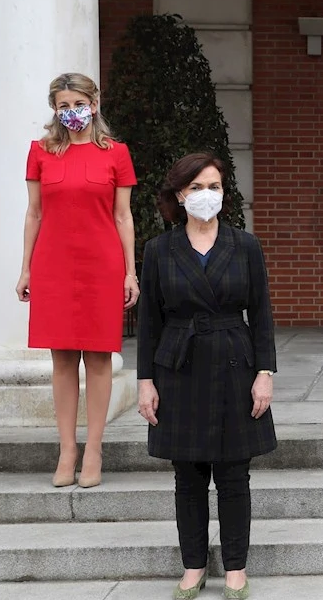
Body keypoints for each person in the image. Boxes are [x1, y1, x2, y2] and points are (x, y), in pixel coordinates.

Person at [136, 153, 277, 600]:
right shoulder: (159, 250)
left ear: (224, 193)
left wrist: (265, 372)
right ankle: (193, 567)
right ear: (180, 195)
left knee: (235, 475)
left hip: (235, 362)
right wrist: (145, 381)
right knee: (189, 476)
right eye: (196, 188)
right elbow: (148, 322)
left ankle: (235, 569)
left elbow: (262, 314)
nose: (205, 195)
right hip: (178, 366)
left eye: (213, 186)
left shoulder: (245, 245)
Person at [16, 72, 138, 489]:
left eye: (78, 103)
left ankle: (95, 449)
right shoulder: (40, 152)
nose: (72, 111)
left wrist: (130, 271)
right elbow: (34, 213)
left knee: (99, 357)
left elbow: (123, 216)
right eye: (63, 105)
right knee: (62, 359)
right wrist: (26, 267)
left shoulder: (116, 154)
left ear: (95, 102)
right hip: (52, 263)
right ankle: (67, 449)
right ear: (54, 108)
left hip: (101, 265)